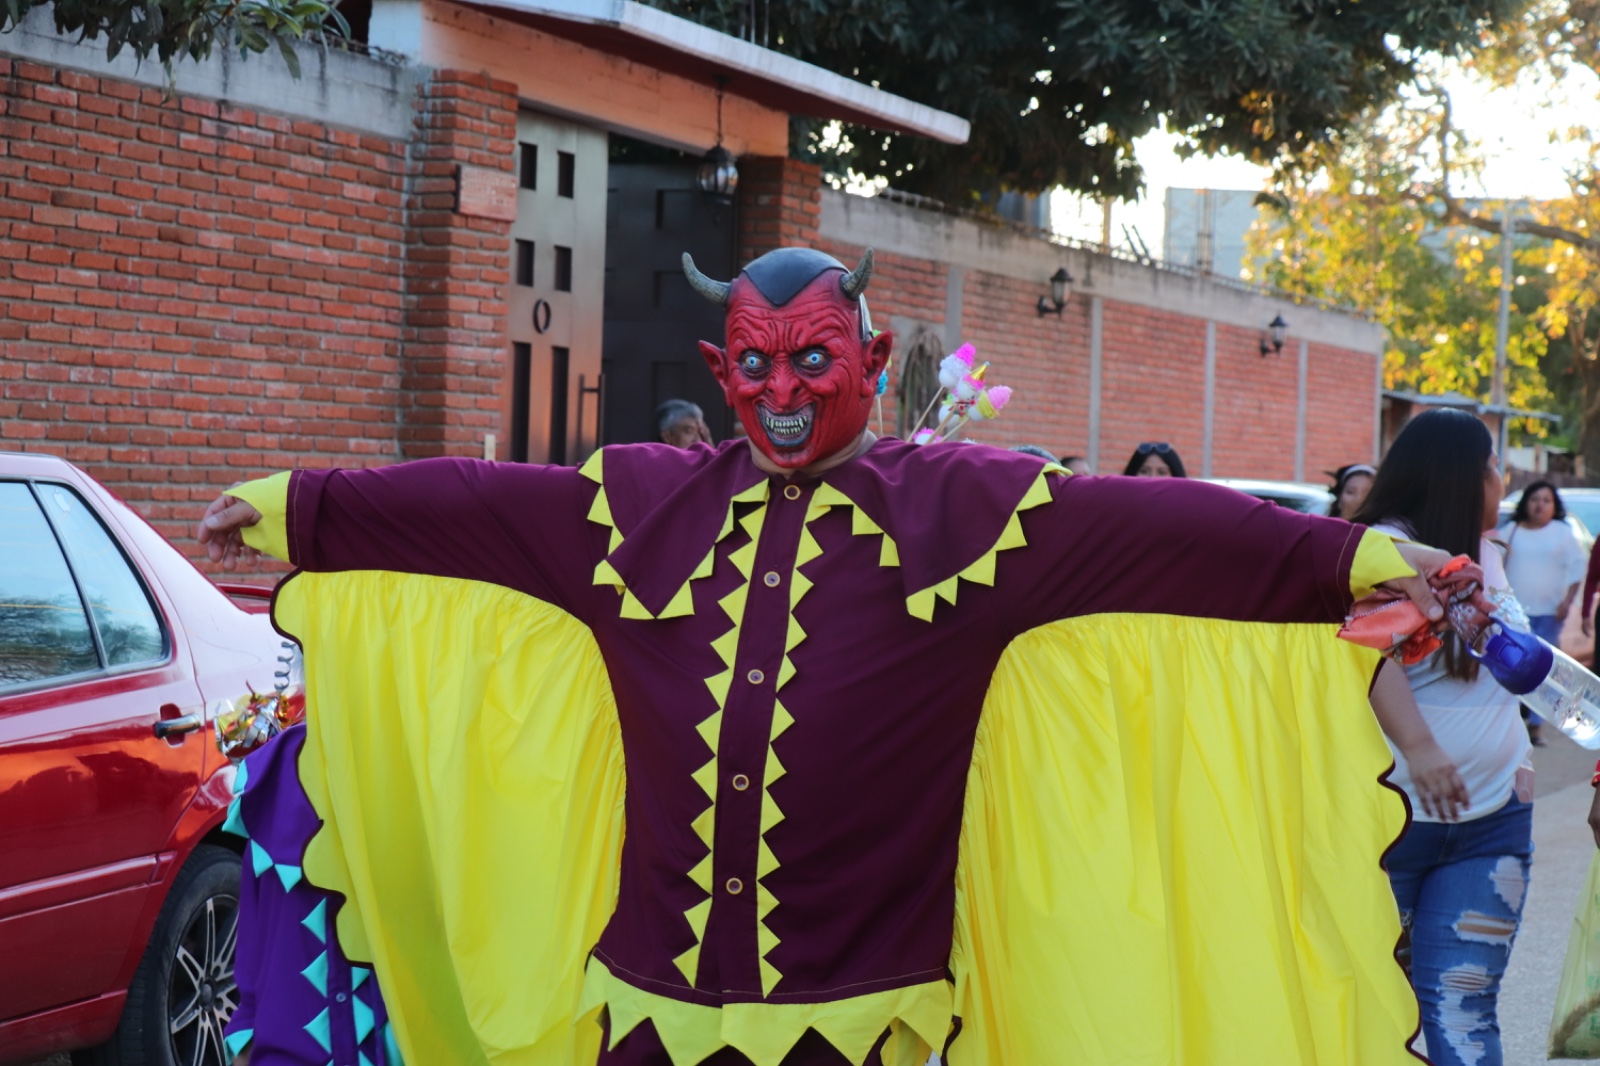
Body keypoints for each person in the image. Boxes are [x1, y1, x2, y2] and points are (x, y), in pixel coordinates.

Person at [199, 246, 1449, 1065]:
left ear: (870, 355)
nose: (782, 389)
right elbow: (477, 503)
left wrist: (1345, 560)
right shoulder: (632, 510)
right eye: (753, 362)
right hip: (648, 1019)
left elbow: (1164, 535)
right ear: (717, 368)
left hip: (863, 1028)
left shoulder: (981, 521)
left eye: (811, 357)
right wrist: (304, 505)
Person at [1352, 409, 1533, 1066]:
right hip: (1393, 824)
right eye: (1492, 466)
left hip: (1493, 826)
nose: (1501, 481)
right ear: (1458, 475)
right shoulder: (1382, 550)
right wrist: (1423, 752)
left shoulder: (1488, 552)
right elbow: (1362, 657)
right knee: (1373, 1009)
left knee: (1464, 1003)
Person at [1499, 480, 1586, 745]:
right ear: (1525, 502)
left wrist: (1567, 602)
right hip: (1513, 616)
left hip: (1549, 614)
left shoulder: (1562, 533)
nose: (1540, 505)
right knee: (1511, 668)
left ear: (1554, 506)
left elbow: (1577, 569)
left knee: (1546, 672)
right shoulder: (1509, 531)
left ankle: (1536, 727)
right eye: (1535, 499)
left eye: (1546, 500)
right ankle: (1509, 723)